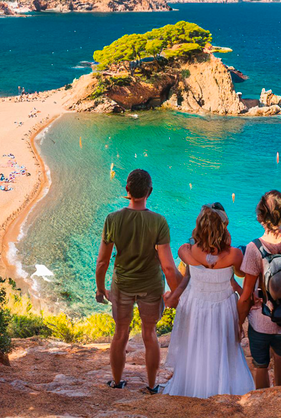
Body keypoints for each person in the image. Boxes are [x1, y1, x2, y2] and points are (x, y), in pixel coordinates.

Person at [95, 169, 181, 393]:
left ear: (127, 190)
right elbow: (169, 266)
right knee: (149, 334)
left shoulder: (112, 219)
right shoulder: (159, 222)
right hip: (151, 286)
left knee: (120, 333)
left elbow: (102, 261)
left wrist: (100, 288)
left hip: (122, 284)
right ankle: (152, 386)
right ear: (149, 192)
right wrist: (178, 293)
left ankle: (116, 382)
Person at [162, 203, 255, 397]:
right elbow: (239, 273)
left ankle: (194, 388)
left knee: (197, 347)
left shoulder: (186, 251)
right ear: (223, 228)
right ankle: (222, 389)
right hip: (223, 308)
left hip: (196, 306)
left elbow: (194, 267)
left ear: (200, 227)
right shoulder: (235, 255)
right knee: (223, 349)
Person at [237, 190, 281, 389]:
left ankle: (263, 406)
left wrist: (238, 321)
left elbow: (246, 293)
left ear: (260, 216)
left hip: (261, 320)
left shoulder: (253, 248)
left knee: (261, 366)